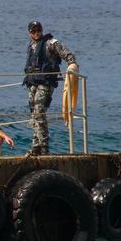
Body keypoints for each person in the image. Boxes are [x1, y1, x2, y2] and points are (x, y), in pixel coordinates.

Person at [23, 21, 78, 155]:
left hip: (46, 82)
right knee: (33, 114)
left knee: (39, 110)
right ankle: (36, 145)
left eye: (39, 30)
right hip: (32, 83)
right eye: (33, 31)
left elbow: (69, 56)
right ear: (29, 33)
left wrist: (71, 69)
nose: (37, 33)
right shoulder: (31, 46)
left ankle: (44, 146)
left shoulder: (51, 43)